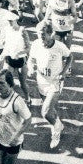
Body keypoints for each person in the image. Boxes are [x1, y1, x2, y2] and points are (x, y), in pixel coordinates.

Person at [26, 20, 71, 149]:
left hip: (55, 83)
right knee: (50, 109)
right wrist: (30, 68)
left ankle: (56, 131)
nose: (41, 38)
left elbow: (70, 57)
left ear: (51, 34)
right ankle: (58, 124)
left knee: (45, 112)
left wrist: (63, 72)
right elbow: (31, 59)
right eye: (39, 35)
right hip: (41, 82)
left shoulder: (59, 46)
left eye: (43, 35)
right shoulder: (36, 44)